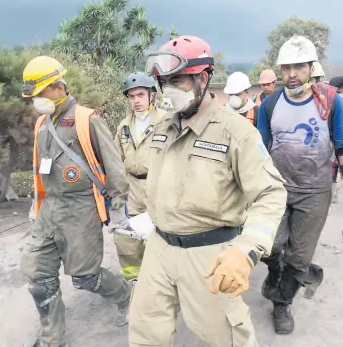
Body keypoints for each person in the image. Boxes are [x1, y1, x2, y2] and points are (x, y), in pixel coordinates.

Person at [128, 35, 287, 347]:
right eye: (164, 82)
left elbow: (270, 193)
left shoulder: (235, 131)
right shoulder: (162, 127)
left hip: (210, 255)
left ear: (202, 79)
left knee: (226, 337)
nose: (168, 90)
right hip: (159, 249)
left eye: (177, 81)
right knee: (145, 330)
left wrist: (247, 248)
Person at [20, 56, 133, 347]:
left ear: (59, 87)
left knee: (86, 277)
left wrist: (118, 207)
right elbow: (38, 166)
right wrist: (37, 201)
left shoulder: (87, 120)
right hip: (49, 208)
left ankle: (126, 296)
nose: (36, 100)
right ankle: (52, 336)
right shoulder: (41, 124)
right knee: (37, 274)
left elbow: (114, 166)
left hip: (81, 208)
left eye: (40, 93)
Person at [257, 36, 343, 335]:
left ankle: (282, 302)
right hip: (277, 188)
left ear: (311, 67)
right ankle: (273, 270)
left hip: (315, 190)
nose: (292, 73)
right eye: (287, 67)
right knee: (269, 244)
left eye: (299, 66)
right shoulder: (269, 105)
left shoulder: (332, 101)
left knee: (299, 256)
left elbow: (341, 144)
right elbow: (260, 149)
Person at [113, 72, 166, 280]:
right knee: (130, 237)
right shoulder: (124, 126)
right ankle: (136, 281)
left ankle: (161, 279)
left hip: (158, 187)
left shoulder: (166, 122)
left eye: (141, 95)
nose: (136, 101)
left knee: (160, 235)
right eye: (132, 96)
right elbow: (116, 160)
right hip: (133, 190)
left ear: (152, 95)